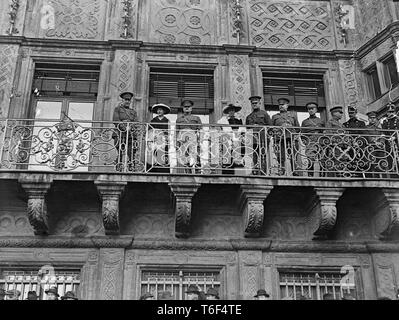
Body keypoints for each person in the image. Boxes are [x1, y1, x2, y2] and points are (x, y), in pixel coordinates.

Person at [271, 97, 300, 175]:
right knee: (280, 155)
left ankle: (295, 171)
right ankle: (282, 170)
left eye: (283, 105)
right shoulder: (275, 116)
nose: (281, 106)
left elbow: (298, 128)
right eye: (280, 105)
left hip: (291, 137)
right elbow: (271, 129)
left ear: (287, 105)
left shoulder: (293, 115)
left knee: (293, 154)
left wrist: (290, 127)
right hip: (279, 138)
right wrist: (277, 129)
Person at [112, 91, 139, 172]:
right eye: (125, 100)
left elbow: (136, 121)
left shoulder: (133, 111)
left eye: (129, 100)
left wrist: (130, 127)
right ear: (122, 100)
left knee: (131, 151)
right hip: (119, 132)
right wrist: (124, 127)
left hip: (130, 134)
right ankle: (119, 166)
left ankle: (131, 166)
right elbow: (116, 120)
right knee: (120, 150)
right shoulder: (117, 109)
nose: (127, 101)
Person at [245, 95, 272, 174]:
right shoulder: (249, 117)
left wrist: (268, 136)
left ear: (259, 103)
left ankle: (263, 171)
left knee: (263, 155)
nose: (254, 104)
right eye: (253, 103)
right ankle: (255, 171)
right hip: (253, 139)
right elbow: (247, 128)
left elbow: (270, 126)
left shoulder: (264, 114)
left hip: (262, 138)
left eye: (256, 103)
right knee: (254, 156)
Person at [176, 100, 202, 173]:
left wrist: (200, 141)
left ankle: (198, 172)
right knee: (185, 156)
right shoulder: (179, 119)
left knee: (195, 155)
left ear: (191, 108)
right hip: (183, 140)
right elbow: (176, 131)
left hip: (193, 139)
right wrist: (176, 142)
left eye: (188, 107)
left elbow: (200, 130)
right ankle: (187, 172)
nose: (187, 108)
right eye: (185, 107)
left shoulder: (196, 118)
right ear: (183, 108)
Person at [217, 103, 245, 173]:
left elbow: (243, 130)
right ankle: (227, 172)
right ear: (227, 112)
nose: (231, 112)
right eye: (230, 110)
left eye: (233, 110)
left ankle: (238, 172)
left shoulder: (239, 120)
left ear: (235, 111)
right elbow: (220, 130)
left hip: (238, 140)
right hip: (228, 141)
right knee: (227, 157)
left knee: (238, 158)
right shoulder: (223, 121)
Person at [301, 102, 325, 177]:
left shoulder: (321, 121)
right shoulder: (305, 122)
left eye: (312, 109)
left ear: (316, 110)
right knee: (310, 159)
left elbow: (324, 132)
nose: (311, 110)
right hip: (310, 141)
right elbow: (303, 134)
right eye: (309, 109)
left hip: (320, 141)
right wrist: (306, 142)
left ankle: (322, 175)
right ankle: (310, 175)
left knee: (322, 159)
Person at [148, 103, 171, 171]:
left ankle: (163, 170)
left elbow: (169, 131)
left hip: (164, 140)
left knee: (164, 155)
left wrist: (167, 138)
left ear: (164, 111)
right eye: (158, 110)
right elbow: (150, 130)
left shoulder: (167, 121)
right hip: (155, 141)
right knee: (155, 154)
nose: (159, 111)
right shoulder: (153, 121)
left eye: (161, 110)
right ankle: (154, 170)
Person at [365, 111, 383, 177]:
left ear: (376, 119)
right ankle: (372, 176)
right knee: (371, 164)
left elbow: (382, 136)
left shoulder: (379, 129)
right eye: (370, 118)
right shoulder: (366, 128)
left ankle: (381, 176)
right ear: (368, 119)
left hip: (379, 148)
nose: (372, 119)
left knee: (381, 162)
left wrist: (381, 142)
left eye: (374, 118)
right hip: (371, 148)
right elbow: (368, 137)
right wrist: (375, 142)